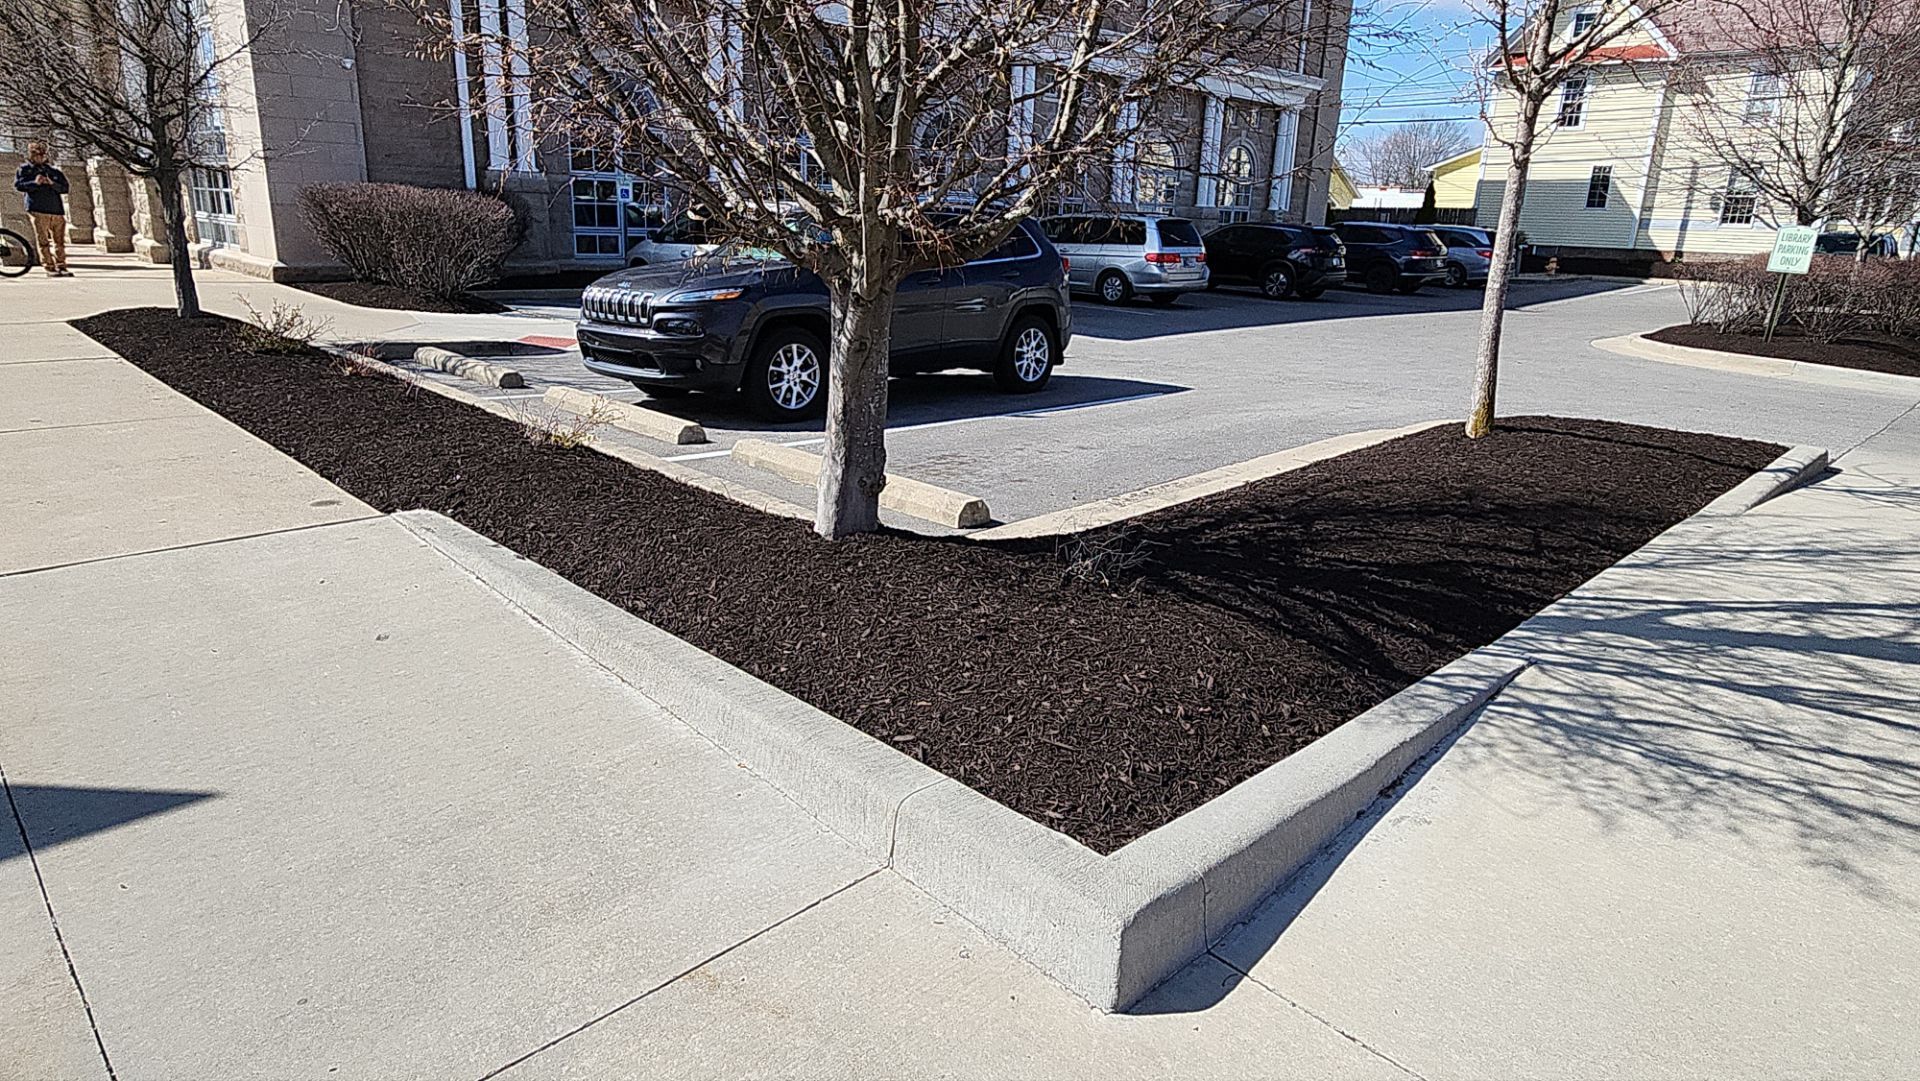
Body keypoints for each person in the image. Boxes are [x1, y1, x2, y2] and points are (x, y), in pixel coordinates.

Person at [14, 141, 72, 277]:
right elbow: (19, 186)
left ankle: (61, 265)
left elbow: (65, 188)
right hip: (37, 208)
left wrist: (52, 183)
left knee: (59, 241)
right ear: (31, 155)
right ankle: (49, 266)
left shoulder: (53, 171)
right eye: (37, 154)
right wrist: (35, 182)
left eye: (42, 154)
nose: (40, 157)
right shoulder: (25, 170)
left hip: (56, 209)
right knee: (43, 240)